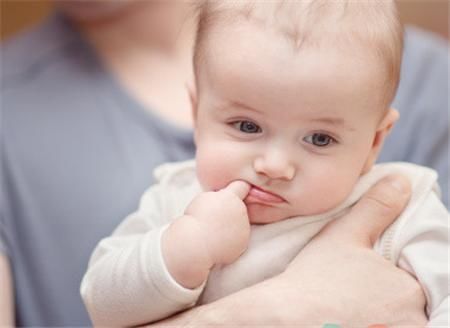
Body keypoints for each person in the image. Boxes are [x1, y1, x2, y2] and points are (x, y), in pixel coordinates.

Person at [0, 0, 446, 326]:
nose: (274, 165)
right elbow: (101, 304)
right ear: (197, 113)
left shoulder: (403, 204)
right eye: (247, 127)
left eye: (319, 138)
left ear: (374, 142)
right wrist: (184, 251)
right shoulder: (176, 202)